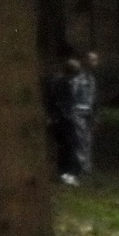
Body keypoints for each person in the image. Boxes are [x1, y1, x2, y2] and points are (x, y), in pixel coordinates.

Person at [47, 53, 83, 184]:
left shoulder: (56, 81)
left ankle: (64, 172)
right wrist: (66, 116)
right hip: (64, 119)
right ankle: (68, 173)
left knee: (65, 146)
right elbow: (63, 102)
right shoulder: (63, 83)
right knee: (70, 146)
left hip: (59, 118)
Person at [70, 50, 101, 178]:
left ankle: (86, 167)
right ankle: (80, 167)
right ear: (85, 61)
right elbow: (72, 95)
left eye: (96, 60)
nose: (95, 63)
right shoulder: (78, 78)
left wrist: (95, 115)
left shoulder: (92, 79)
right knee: (80, 140)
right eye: (92, 60)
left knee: (88, 140)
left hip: (89, 113)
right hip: (78, 112)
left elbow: (93, 98)